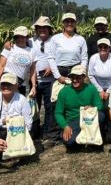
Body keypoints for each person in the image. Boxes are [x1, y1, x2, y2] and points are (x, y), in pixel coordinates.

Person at [44, 12, 89, 147]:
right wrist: (58, 76)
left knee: (77, 100)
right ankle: (54, 135)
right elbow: (51, 57)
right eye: (67, 21)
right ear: (63, 23)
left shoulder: (80, 39)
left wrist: (81, 72)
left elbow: (84, 57)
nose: (69, 24)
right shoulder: (56, 39)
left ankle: (79, 129)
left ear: (75, 23)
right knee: (56, 102)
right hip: (61, 70)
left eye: (72, 21)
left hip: (76, 70)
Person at [54, 65, 105, 151]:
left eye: (77, 77)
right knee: (69, 142)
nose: (74, 80)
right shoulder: (64, 92)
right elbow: (58, 113)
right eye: (72, 77)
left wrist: (92, 108)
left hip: (88, 119)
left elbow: (100, 106)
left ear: (84, 77)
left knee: (101, 115)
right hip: (73, 120)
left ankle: (94, 140)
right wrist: (65, 126)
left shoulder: (91, 88)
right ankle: (82, 139)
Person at [28, 16, 55, 141]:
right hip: (35, 81)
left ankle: (46, 131)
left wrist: (51, 68)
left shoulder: (54, 41)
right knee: (34, 107)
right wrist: (8, 44)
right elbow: (18, 46)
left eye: (45, 27)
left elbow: (59, 57)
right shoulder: (30, 41)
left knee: (49, 108)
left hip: (50, 81)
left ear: (49, 29)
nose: (42, 30)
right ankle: (35, 130)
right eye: (40, 28)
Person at [0, 26, 36, 95]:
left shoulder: (32, 52)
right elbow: (1, 67)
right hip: (6, 82)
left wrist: (34, 86)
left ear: (27, 38)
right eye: (17, 37)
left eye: (22, 37)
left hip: (20, 84)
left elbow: (33, 71)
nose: (19, 39)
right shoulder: (9, 48)